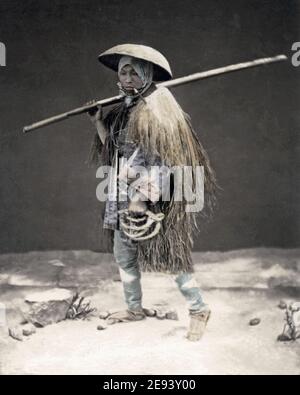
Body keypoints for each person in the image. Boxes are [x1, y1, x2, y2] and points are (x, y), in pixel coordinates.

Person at [87, 44, 220, 341]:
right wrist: (98, 122)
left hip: (156, 199)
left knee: (173, 259)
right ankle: (134, 309)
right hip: (123, 194)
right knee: (124, 255)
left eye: (136, 71)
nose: (129, 76)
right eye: (124, 71)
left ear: (148, 75)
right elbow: (115, 151)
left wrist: (140, 197)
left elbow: (167, 163)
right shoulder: (124, 109)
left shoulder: (159, 110)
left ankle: (199, 310)